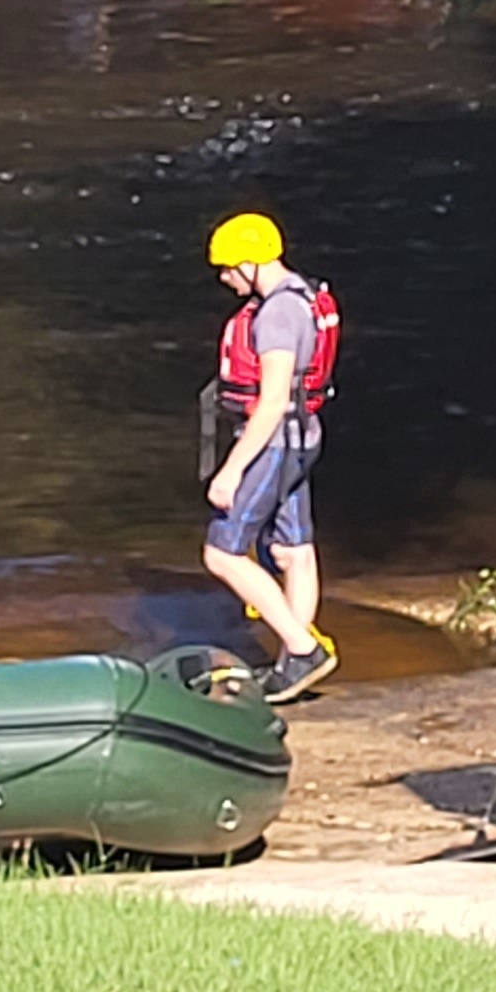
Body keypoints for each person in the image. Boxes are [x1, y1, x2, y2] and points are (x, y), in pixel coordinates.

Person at [200, 212, 341, 703]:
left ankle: (303, 650)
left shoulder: (278, 314)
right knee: (293, 551)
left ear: (249, 261)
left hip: (277, 441)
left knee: (222, 554)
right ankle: (294, 669)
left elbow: (276, 397)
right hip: (303, 438)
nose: (224, 278)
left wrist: (232, 469)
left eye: (227, 268)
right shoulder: (302, 295)